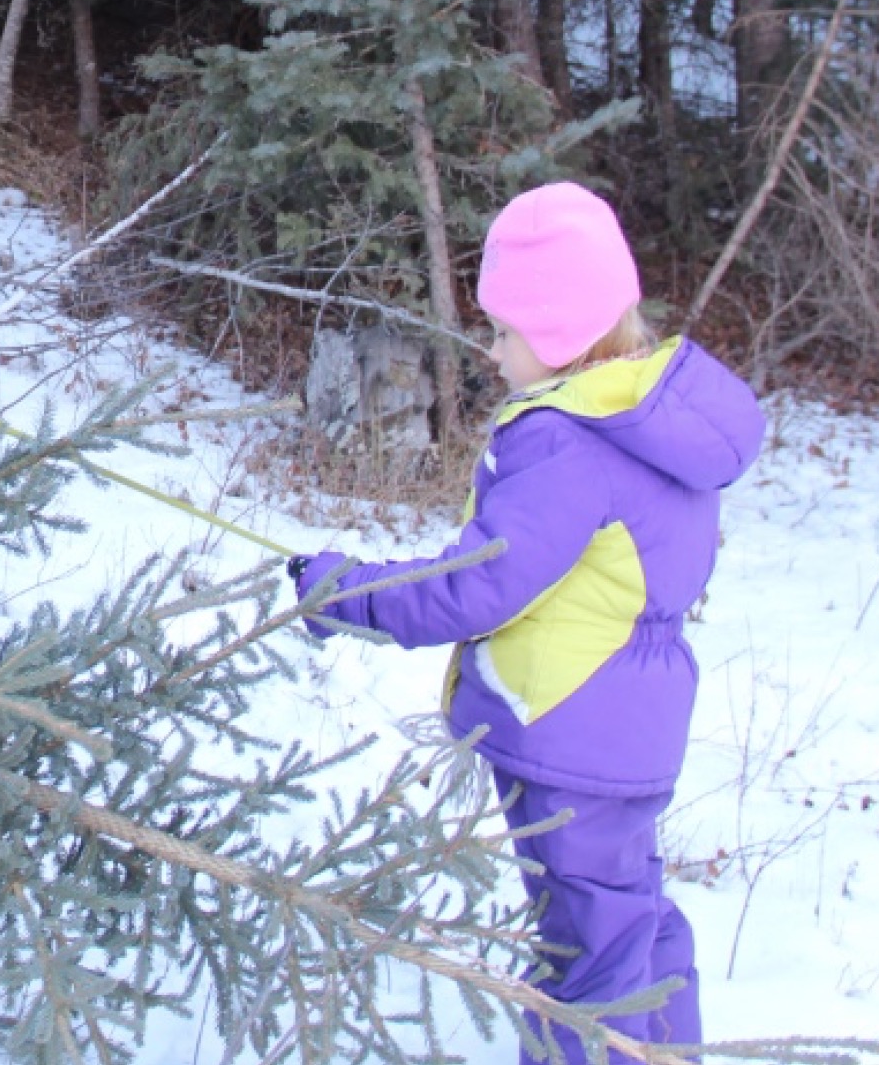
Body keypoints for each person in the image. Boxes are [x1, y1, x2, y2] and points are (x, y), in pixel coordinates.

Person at [289, 181, 765, 1063]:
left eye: (504, 330)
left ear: (553, 333)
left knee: (586, 965)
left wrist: (343, 591)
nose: (494, 349)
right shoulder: (647, 417)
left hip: (567, 735)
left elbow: (476, 586)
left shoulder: (562, 441)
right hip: (632, 730)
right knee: (635, 924)